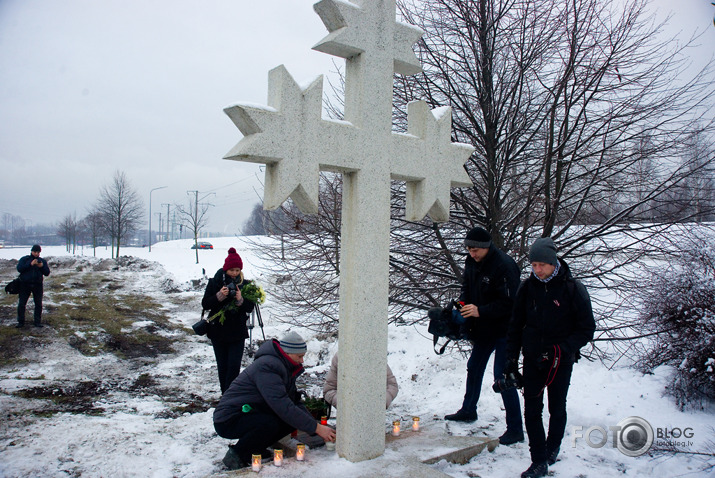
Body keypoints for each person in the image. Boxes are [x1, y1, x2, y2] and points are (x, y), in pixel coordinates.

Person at [505, 237, 595, 478]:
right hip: (533, 357)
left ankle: (552, 446)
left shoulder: (572, 288)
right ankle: (538, 460)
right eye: (533, 265)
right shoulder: (527, 288)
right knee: (532, 408)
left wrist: (563, 349)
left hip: (560, 360)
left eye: (541, 265)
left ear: (553, 263)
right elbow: (515, 326)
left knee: (557, 406)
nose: (537, 270)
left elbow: (587, 329)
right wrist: (510, 361)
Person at [444, 227, 524, 446]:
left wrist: (481, 310)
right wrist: (460, 308)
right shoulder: (472, 262)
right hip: (484, 329)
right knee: (475, 366)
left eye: (475, 250)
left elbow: (512, 303)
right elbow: (466, 289)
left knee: (502, 377)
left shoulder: (504, 266)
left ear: (487, 247)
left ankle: (516, 428)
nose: (472, 254)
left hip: (505, 330)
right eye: (469, 249)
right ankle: (468, 410)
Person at [213, 331, 336, 470]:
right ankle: (238, 455)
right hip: (229, 418)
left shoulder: (283, 366)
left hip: (250, 412)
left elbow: (294, 401)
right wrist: (317, 428)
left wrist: (314, 427)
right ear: (288, 353)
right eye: (300, 356)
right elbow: (282, 405)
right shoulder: (268, 367)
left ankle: (254, 448)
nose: (302, 361)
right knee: (270, 423)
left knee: (287, 422)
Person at [202, 247, 256, 393]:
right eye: (232, 270)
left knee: (234, 365)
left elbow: (249, 307)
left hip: (237, 332)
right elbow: (205, 304)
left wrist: (240, 299)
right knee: (223, 365)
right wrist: (219, 295)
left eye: (237, 270)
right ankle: (225, 395)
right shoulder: (215, 282)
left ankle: (231, 395)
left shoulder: (245, 285)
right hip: (218, 331)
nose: (234, 273)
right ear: (226, 269)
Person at [322, 352, 399, 409]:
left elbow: (392, 386)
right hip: (347, 423)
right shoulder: (340, 357)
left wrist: (381, 403)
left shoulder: (375, 354)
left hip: (374, 421)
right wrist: (344, 404)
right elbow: (329, 390)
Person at [16, 244, 51, 328]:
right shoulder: (25, 259)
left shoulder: (42, 261)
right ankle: (21, 322)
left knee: (38, 304)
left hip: (37, 285)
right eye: (35, 252)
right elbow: (19, 269)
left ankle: (37, 322)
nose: (36, 254)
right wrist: (30, 264)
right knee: (22, 304)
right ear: (31, 251)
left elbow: (47, 273)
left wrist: (42, 267)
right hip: (25, 285)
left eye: (38, 252)